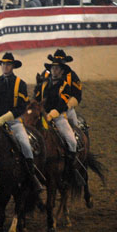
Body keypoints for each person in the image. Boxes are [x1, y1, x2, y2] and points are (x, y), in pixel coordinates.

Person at [0, 52, 44, 192]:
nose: (5, 67)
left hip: (14, 122)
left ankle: (32, 176)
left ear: (12, 66)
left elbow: (21, 107)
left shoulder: (20, 84)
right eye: (3, 64)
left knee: (25, 144)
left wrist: (5, 118)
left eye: (8, 64)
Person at [34, 57, 85, 185]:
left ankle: (70, 169)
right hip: (42, 117)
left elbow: (62, 104)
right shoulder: (43, 85)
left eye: (57, 68)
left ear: (61, 71)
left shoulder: (65, 86)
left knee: (72, 141)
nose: (54, 70)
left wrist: (51, 115)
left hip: (58, 117)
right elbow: (36, 100)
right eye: (52, 68)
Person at [44, 49, 82, 127]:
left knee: (75, 128)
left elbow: (77, 95)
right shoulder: (46, 74)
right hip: (47, 107)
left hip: (66, 107)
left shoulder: (72, 76)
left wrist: (67, 106)